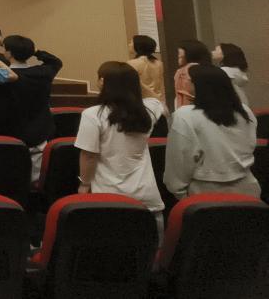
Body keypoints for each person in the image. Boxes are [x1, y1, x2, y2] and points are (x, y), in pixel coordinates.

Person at [76, 61, 165, 236]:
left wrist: (84, 184)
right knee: (148, 249)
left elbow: (89, 156)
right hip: (146, 196)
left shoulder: (93, 114)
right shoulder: (148, 110)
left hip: (109, 196)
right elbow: (158, 99)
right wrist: (132, 80)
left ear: (102, 82)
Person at [164, 64, 259, 198]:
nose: (183, 82)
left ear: (200, 85)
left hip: (204, 193)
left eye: (188, 80)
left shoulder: (185, 115)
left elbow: (179, 161)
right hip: (248, 189)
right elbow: (250, 145)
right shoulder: (244, 111)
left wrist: (179, 192)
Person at [0, 35, 63, 182]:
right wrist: (34, 51)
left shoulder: (1, 78)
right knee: (37, 182)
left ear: (8, 53)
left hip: (10, 137)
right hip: (40, 134)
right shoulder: (43, 73)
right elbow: (56, 61)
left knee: (11, 180)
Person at [127, 35, 166, 106]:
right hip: (158, 102)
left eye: (131, 42)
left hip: (142, 102)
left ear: (138, 46)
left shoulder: (132, 64)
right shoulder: (159, 63)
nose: (129, 44)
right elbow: (162, 87)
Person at [173, 40, 211, 109]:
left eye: (180, 56)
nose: (178, 57)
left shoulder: (182, 71)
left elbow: (183, 97)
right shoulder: (209, 69)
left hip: (187, 109)